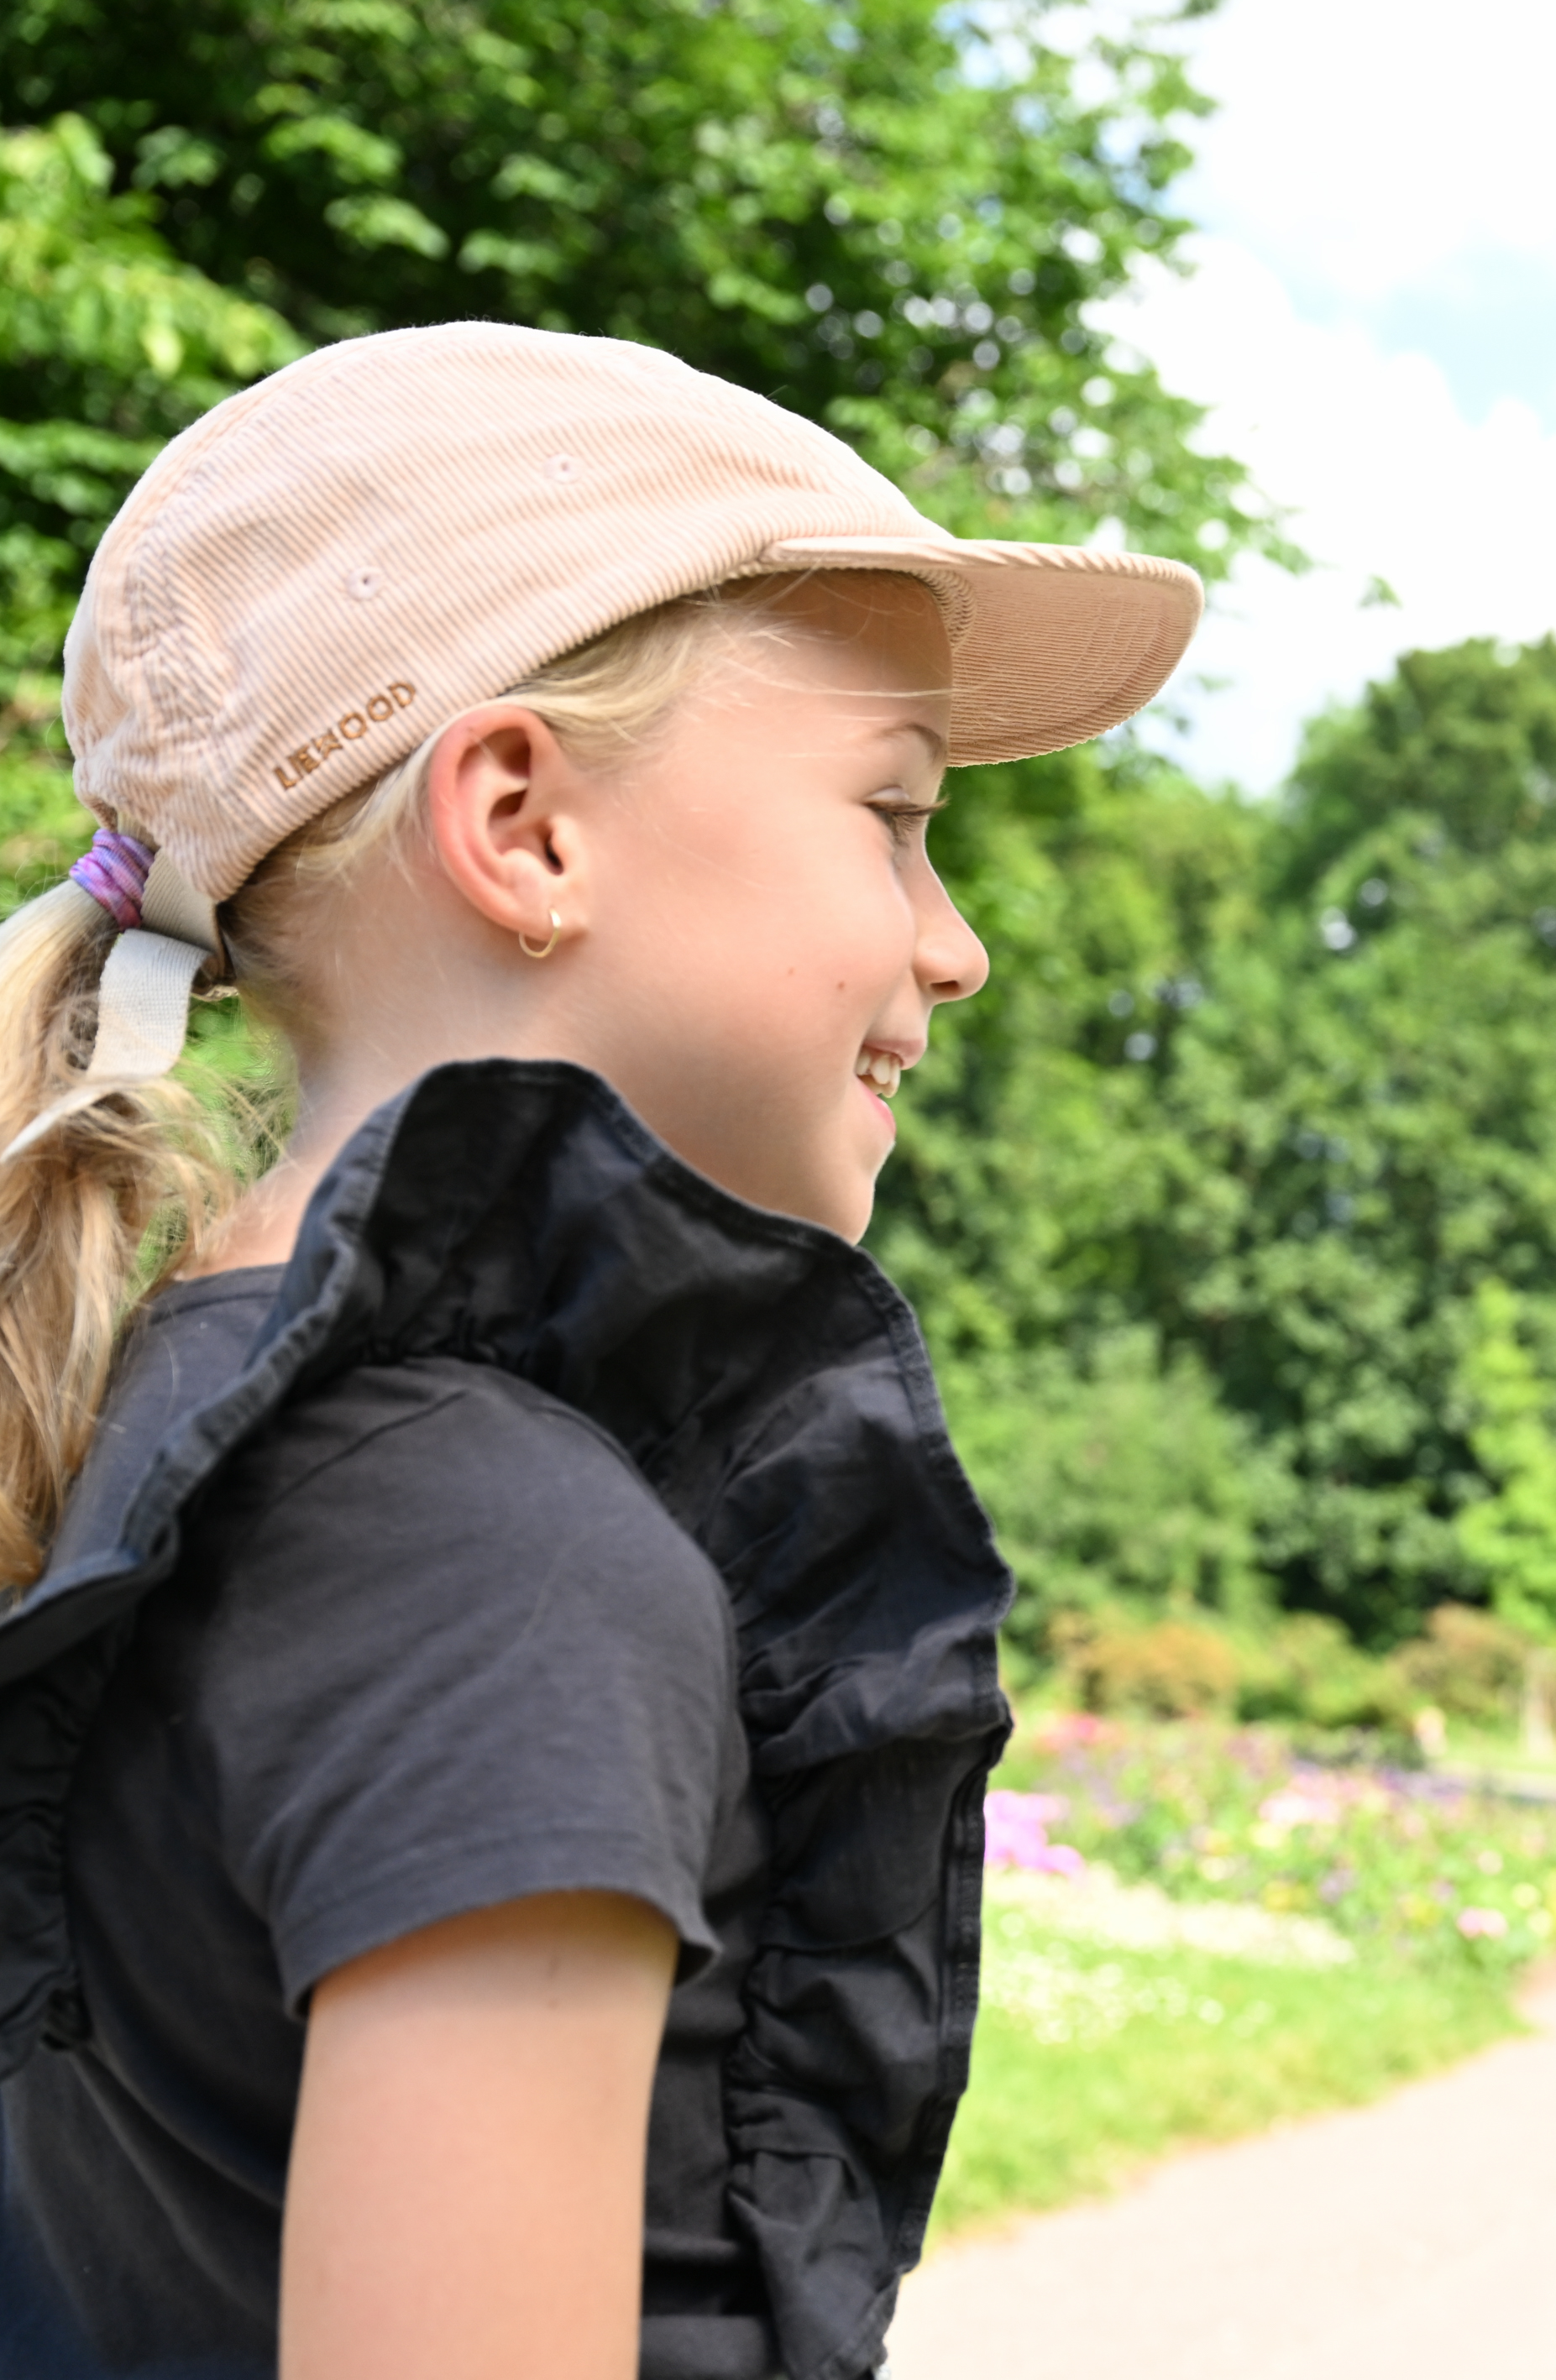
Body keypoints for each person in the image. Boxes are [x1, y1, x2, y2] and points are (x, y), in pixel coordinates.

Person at [0, 323, 1201, 2379]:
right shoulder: (498, 1561)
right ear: (523, 823)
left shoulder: (132, 1412)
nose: (958, 944)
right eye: (894, 813)